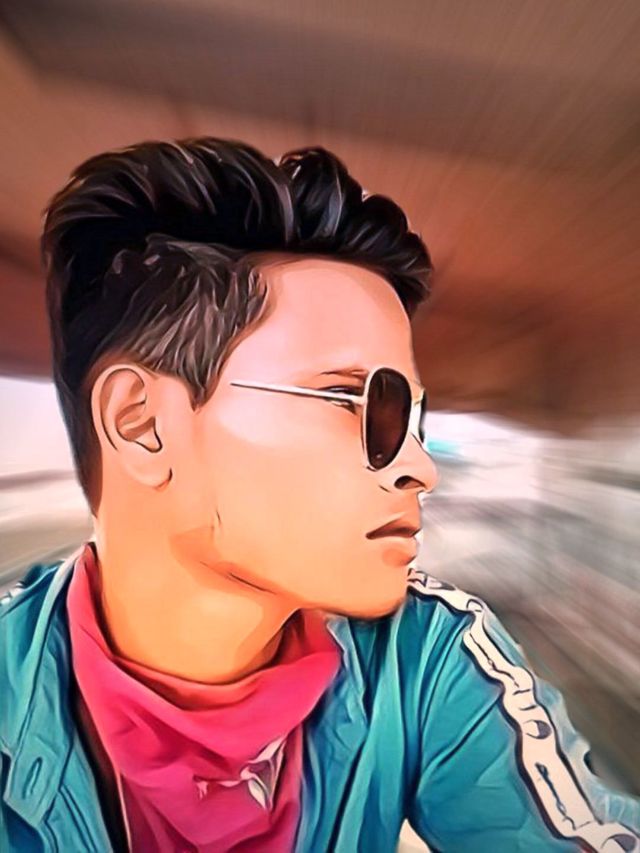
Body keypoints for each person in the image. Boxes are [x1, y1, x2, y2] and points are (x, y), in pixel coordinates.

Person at [0, 138, 638, 853]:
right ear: (141, 424)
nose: (419, 468)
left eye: (409, 416)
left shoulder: (422, 658)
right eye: (348, 400)